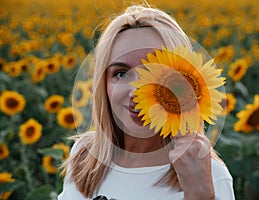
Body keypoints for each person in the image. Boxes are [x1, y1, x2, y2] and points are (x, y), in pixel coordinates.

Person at [58, 5, 235, 200]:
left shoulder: (209, 176)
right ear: (103, 84)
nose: (136, 91)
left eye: (156, 73)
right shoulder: (84, 156)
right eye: (121, 73)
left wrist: (200, 195)